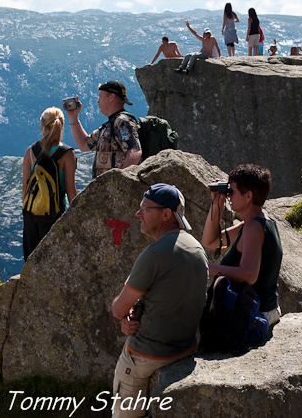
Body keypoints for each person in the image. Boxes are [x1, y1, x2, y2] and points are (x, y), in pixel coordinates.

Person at [111, 184, 208, 418]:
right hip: (185, 350)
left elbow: (117, 309)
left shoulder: (154, 254)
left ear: (166, 214)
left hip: (145, 356)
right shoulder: (197, 248)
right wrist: (134, 314)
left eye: (145, 209)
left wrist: (126, 314)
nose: (138, 214)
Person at [201, 165, 283, 327]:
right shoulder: (258, 222)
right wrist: (217, 202)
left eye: (232, 191)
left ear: (248, 196)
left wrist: (205, 267)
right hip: (264, 310)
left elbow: (249, 275)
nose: (229, 195)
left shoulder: (253, 228)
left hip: (256, 315)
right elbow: (210, 242)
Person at [22, 107, 77, 261]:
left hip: (31, 216)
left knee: (32, 262)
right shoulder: (67, 153)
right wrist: (76, 217)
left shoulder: (30, 152)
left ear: (42, 127)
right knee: (54, 262)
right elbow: (71, 190)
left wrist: (27, 213)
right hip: (55, 216)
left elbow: (25, 189)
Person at [65, 80, 141, 179]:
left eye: (100, 96)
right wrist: (73, 117)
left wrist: (123, 181)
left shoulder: (122, 121)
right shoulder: (109, 125)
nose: (98, 101)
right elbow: (84, 145)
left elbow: (135, 150)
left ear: (111, 97)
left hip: (115, 189)